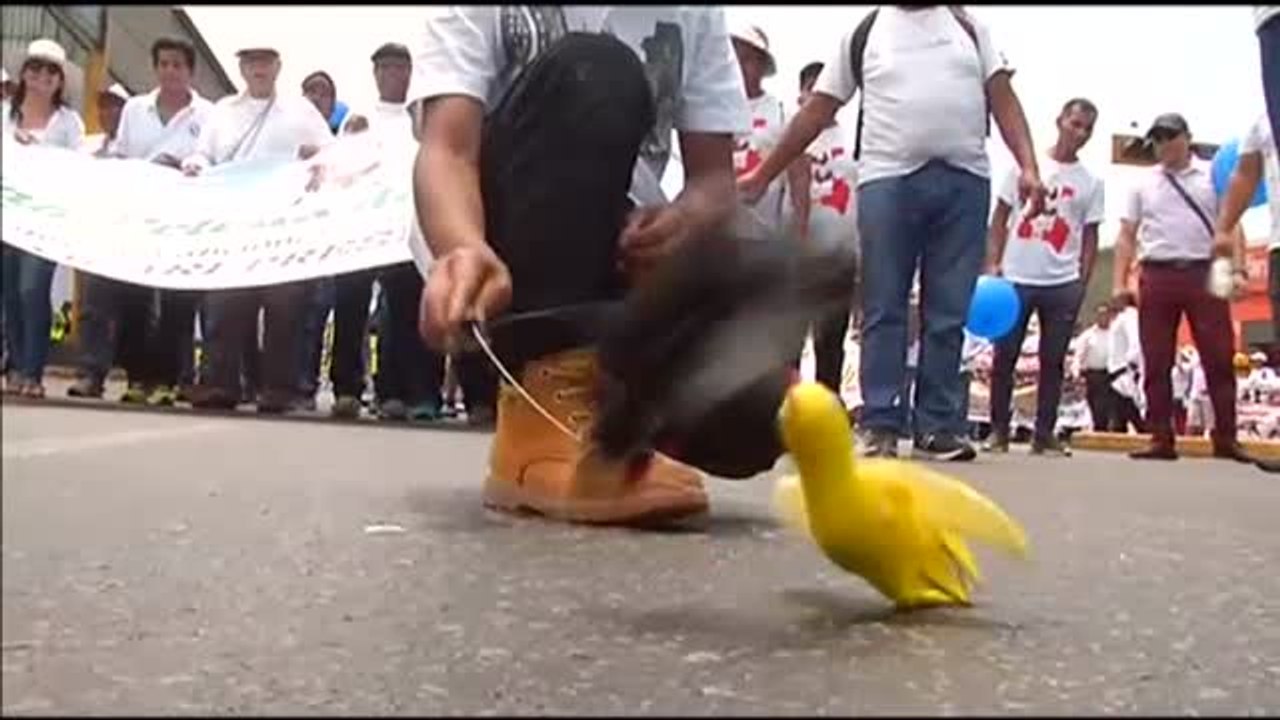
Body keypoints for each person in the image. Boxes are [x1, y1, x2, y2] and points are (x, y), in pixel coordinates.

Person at [411, 6, 757, 524]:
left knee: (756, 417)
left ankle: (622, 414)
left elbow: (714, 182)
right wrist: (460, 246)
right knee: (595, 68)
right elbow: (448, 147)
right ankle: (543, 420)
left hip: (620, 242)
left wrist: (683, 220)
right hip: (495, 235)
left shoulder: (694, 12)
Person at [737, 5, 1047, 461]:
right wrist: (767, 172)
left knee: (948, 309)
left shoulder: (969, 27)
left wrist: (1028, 166)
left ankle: (938, 426)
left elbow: (1003, 99)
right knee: (885, 303)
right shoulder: (864, 33)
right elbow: (819, 109)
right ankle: (880, 421)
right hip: (888, 180)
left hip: (964, 180)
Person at [182, 40, 334, 413]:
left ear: (278, 66)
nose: (258, 68)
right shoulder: (223, 112)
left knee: (285, 309)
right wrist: (196, 163)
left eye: (265, 61)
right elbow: (205, 152)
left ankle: (279, 389)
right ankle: (222, 383)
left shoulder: (300, 112)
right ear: (242, 68)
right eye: (250, 61)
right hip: (236, 225)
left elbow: (330, 152)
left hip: (284, 227)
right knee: (224, 305)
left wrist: (318, 165)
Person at [68, 39, 213, 405]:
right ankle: (137, 378)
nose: (170, 71)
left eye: (177, 65)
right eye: (163, 64)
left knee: (176, 303)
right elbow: (121, 155)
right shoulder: (135, 108)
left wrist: (188, 165)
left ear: (190, 71)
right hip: (138, 217)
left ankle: (167, 379)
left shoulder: (207, 114)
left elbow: (212, 157)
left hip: (182, 221)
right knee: (134, 298)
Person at [1112, 113, 1250, 462]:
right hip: (1157, 273)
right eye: (1156, 139)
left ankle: (1226, 437)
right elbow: (1127, 235)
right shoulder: (1143, 184)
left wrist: (1239, 269)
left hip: (1206, 270)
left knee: (1218, 356)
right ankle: (1160, 436)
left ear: (1187, 137)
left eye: (1169, 136)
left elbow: (1232, 224)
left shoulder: (1212, 175)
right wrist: (1119, 282)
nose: (1163, 145)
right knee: (1155, 359)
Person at [984, 98, 1104, 457]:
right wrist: (993, 264)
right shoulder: (1026, 168)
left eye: (1086, 128)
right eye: (1075, 123)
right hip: (1017, 276)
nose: (1078, 132)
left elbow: (1091, 236)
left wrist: (1082, 281)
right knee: (1004, 356)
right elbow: (1000, 217)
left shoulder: (1092, 182)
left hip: (1061, 280)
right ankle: (998, 431)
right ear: (1060, 121)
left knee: (1053, 361)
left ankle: (1044, 434)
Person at [2, 39, 84, 399]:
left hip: (44, 221)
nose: (42, 77)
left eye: (51, 71)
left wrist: (41, 154)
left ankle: (33, 370)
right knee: (10, 296)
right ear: (24, 75)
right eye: (35, 69)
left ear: (60, 81)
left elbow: (78, 167)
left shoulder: (68, 123)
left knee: (32, 291)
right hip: (7, 217)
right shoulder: (4, 114)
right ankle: (17, 367)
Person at [796, 60, 860, 400]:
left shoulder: (853, 145)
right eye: (812, 89)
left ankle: (828, 416)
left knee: (830, 344)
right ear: (801, 94)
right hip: (795, 254)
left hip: (838, 254)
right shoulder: (789, 139)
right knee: (786, 343)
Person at [728, 24, 807, 237]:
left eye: (747, 59)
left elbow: (799, 174)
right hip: (716, 235)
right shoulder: (714, 110)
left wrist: (799, 234)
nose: (739, 65)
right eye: (735, 57)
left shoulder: (781, 112)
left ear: (762, 66)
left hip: (762, 236)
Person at [298, 69, 343, 411]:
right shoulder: (287, 135)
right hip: (294, 242)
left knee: (331, 310)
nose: (316, 98)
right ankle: (299, 383)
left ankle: (346, 383)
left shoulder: (347, 134)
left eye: (323, 93)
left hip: (336, 242)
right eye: (309, 92)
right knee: (300, 316)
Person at [1074, 304, 1116, 431]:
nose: (1103, 317)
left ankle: (1108, 430)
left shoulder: (1116, 334)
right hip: (1094, 375)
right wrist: (1076, 373)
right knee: (1097, 406)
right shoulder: (1088, 336)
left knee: (1111, 407)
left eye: (1106, 314)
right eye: (1100, 314)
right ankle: (1099, 429)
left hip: (1112, 374)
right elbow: (1079, 356)